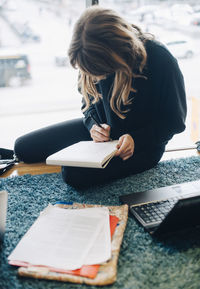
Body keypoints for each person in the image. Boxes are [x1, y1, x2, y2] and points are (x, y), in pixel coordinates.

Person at [12, 6, 186, 188]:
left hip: (141, 146)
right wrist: (92, 125)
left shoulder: (160, 58)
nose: (95, 78)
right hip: (102, 137)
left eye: (100, 73)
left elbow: (174, 121)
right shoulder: (88, 55)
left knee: (72, 174)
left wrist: (137, 139)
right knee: (23, 148)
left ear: (115, 56)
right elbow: (87, 104)